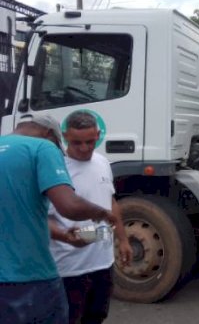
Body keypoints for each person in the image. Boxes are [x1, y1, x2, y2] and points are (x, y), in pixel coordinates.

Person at [0, 114, 116, 324]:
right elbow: (69, 206)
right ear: (50, 134)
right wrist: (102, 214)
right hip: (31, 276)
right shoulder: (41, 148)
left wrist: (64, 234)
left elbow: (25, 213)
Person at [48, 111, 133, 324]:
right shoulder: (55, 168)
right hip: (68, 268)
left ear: (98, 135)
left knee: (96, 317)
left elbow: (110, 202)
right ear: (65, 137)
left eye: (90, 141)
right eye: (77, 143)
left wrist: (123, 240)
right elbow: (39, 217)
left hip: (102, 263)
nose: (85, 148)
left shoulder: (103, 162)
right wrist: (64, 237)